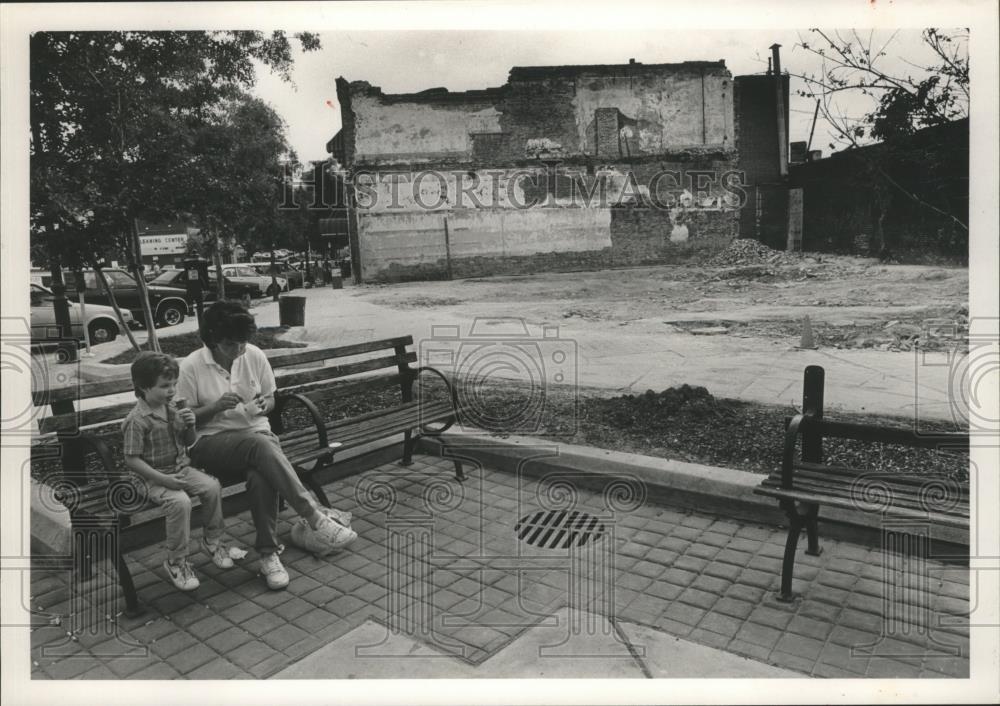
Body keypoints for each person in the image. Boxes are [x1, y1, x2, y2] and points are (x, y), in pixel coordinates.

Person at [176, 300, 356, 590]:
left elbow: (271, 399)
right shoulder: (191, 366)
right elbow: (183, 422)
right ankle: (314, 516)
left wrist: (263, 404)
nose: (238, 351)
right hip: (209, 444)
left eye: (243, 343)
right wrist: (214, 407)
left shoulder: (254, 355)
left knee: (260, 473)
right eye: (229, 345)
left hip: (258, 437)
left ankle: (268, 555)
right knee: (259, 447)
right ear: (211, 339)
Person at [122, 352, 234, 592]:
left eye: (174, 384)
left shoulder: (172, 409)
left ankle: (212, 541)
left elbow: (189, 441)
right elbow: (131, 460)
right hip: (149, 477)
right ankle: (176, 561)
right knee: (180, 503)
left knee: (212, 487)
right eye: (164, 386)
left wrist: (190, 425)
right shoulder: (137, 420)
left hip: (179, 468)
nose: (172, 390)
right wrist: (163, 479)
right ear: (143, 387)